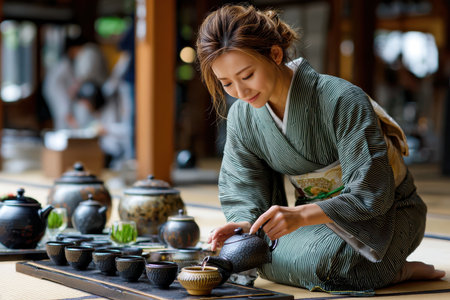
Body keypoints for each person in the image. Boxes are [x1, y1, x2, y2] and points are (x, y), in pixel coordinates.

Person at [196, 4, 445, 295]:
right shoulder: (242, 116)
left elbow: (371, 193)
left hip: (385, 215)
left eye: (247, 75)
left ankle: (397, 270)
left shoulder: (341, 98)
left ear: (275, 54)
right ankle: (383, 271)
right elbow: (244, 182)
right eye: (226, 83)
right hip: (313, 220)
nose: (240, 92)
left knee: (328, 262)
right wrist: (243, 226)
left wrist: (300, 217)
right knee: (255, 254)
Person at [73, 80, 132, 168]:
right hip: (108, 155)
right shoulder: (97, 112)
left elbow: (130, 130)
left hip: (124, 156)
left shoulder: (118, 102)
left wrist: (107, 129)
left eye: (87, 103)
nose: (86, 107)